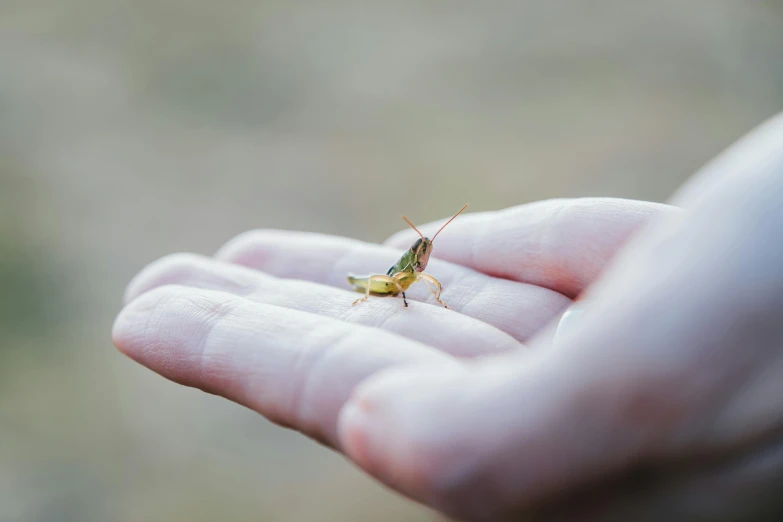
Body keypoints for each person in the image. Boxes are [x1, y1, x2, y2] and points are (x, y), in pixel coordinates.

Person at [112, 111, 783, 521]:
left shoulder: (423, 264)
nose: (425, 250)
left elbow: (420, 278)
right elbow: (402, 278)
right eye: (422, 246)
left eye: (424, 247)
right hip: (374, 284)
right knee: (376, 283)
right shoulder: (405, 264)